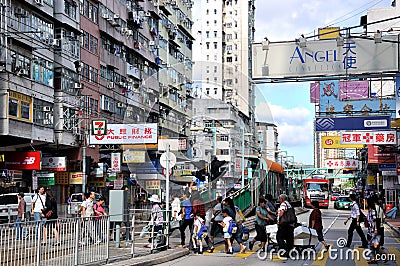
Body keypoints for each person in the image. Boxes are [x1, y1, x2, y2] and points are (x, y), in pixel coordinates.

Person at [365, 197, 386, 264]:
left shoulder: (373, 210)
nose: (365, 203)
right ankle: (375, 258)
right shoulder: (378, 209)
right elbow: (383, 218)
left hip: (374, 230)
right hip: (376, 228)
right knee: (374, 245)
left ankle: (382, 255)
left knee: (373, 245)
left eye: (366, 202)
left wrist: (376, 229)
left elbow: (374, 221)